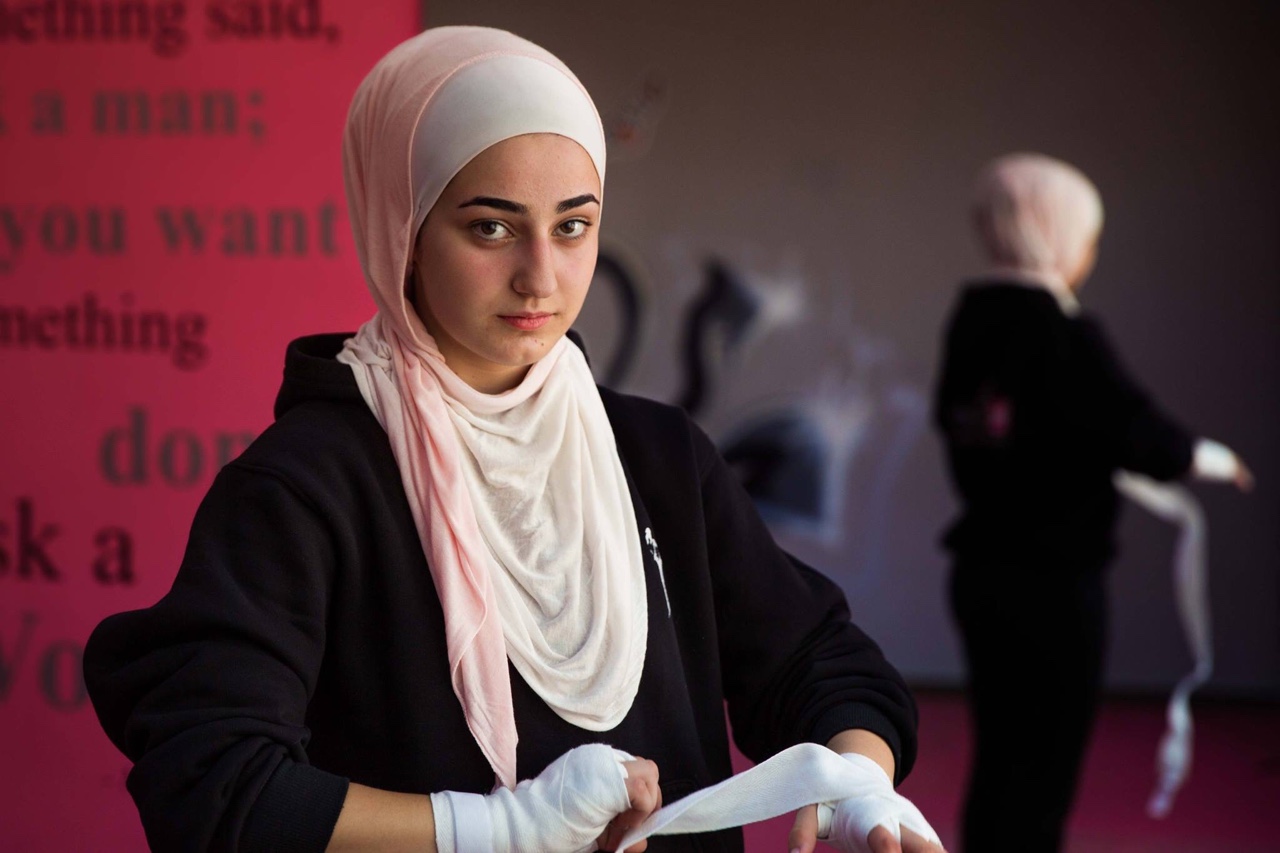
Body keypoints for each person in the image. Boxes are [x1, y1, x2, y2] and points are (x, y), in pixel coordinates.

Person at [84, 26, 942, 853]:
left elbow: (818, 660)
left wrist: (858, 778)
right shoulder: (306, 486)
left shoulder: (657, 456)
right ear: (403, 228)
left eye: (573, 225)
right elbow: (216, 787)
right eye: (490, 226)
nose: (540, 274)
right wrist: (494, 832)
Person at [933, 152, 1253, 853]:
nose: (1091, 252)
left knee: (1002, 750)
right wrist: (1214, 459)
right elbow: (1133, 428)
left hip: (984, 572)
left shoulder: (973, 321)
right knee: (1045, 761)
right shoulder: (1062, 333)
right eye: (1088, 234)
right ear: (1053, 232)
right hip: (1051, 583)